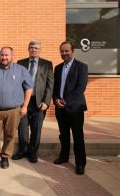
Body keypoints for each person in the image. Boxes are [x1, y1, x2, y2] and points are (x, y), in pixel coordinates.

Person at [0, 46, 32, 169]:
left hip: (13, 110)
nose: (4, 57)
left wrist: (24, 106)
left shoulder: (21, 70)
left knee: (10, 134)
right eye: (2, 55)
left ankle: (5, 157)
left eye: (7, 55)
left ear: (12, 56)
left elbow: (29, 88)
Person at [13, 40, 54, 163]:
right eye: (31, 47)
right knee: (22, 128)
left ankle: (33, 152)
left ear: (40, 50)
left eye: (36, 48)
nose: (34, 49)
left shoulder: (47, 64)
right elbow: (16, 82)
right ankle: (22, 150)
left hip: (39, 102)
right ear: (28, 48)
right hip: (23, 101)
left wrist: (46, 102)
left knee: (36, 128)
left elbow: (50, 84)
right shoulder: (21, 63)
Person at [53, 41, 88, 175]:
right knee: (64, 134)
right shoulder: (58, 68)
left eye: (66, 51)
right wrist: (56, 99)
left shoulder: (81, 67)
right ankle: (64, 156)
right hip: (60, 108)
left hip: (75, 108)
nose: (64, 53)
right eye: (62, 51)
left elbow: (81, 88)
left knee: (78, 136)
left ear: (73, 51)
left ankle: (80, 163)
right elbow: (55, 87)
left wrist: (65, 101)